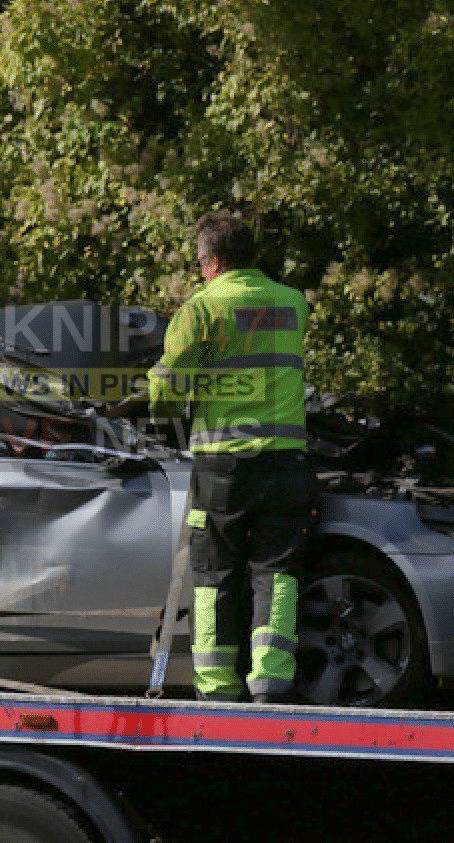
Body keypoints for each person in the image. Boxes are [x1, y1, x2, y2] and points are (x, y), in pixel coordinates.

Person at [148, 211, 315, 703]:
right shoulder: (292, 303)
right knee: (277, 573)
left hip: (223, 466)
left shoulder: (202, 309)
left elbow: (166, 385)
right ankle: (270, 681)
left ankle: (217, 686)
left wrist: (160, 411)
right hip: (286, 463)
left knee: (214, 574)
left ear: (212, 262)